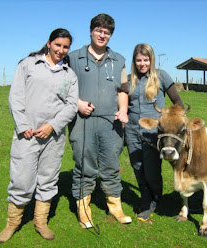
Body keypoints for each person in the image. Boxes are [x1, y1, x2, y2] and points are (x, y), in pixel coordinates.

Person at [0, 28, 79, 243]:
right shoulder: (28, 64)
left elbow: (71, 106)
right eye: (58, 45)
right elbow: (16, 96)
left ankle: (40, 222)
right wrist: (23, 125)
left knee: (48, 179)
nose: (61, 50)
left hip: (53, 137)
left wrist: (52, 125)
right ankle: (12, 223)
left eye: (65, 47)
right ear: (49, 43)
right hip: (27, 134)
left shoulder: (69, 74)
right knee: (22, 179)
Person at [68, 13, 131, 228]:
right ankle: (84, 209)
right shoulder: (73, 57)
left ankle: (115, 207)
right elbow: (62, 86)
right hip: (81, 122)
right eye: (98, 30)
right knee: (84, 165)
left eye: (106, 32)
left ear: (111, 35)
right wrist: (77, 103)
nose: (102, 35)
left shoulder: (119, 60)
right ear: (91, 31)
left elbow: (123, 90)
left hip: (111, 123)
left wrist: (123, 110)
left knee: (111, 165)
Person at [124, 43, 184, 221]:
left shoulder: (161, 76)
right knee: (137, 167)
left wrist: (172, 122)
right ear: (134, 61)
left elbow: (177, 102)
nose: (142, 63)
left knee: (151, 169)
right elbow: (122, 104)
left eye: (146, 60)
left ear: (151, 60)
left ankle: (156, 198)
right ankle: (145, 200)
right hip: (132, 130)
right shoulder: (128, 80)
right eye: (139, 60)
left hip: (153, 132)